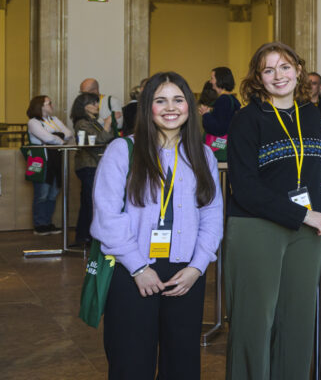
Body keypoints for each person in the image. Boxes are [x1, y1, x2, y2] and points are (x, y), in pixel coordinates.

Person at [91, 71, 223, 378]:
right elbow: (107, 216)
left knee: (182, 365)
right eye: (160, 100)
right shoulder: (123, 151)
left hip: (186, 274)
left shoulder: (203, 155)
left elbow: (212, 213)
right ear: (147, 107)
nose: (170, 107)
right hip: (131, 272)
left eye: (178, 100)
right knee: (131, 363)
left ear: (189, 106)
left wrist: (198, 266)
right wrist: (138, 267)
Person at [225, 42, 321, 380]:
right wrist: (303, 215)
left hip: (308, 232)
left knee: (297, 322)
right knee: (254, 322)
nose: (279, 75)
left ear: (298, 70)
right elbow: (244, 188)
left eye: (285, 67)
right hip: (257, 228)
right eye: (269, 69)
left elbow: (317, 173)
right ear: (258, 78)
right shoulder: (246, 120)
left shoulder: (310, 115)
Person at [71, 92, 114, 248]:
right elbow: (100, 139)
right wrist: (108, 125)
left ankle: (84, 236)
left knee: (88, 202)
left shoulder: (93, 121)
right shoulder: (82, 123)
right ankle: (86, 237)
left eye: (97, 102)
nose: (97, 106)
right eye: (93, 103)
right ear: (84, 107)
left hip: (95, 164)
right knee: (90, 202)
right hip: (88, 165)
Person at [26, 95, 70, 235]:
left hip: (56, 160)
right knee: (42, 194)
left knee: (53, 193)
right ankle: (40, 225)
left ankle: (47, 222)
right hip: (41, 161)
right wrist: (59, 139)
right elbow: (47, 138)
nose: (52, 105)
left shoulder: (55, 120)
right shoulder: (33, 122)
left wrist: (57, 138)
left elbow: (68, 133)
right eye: (49, 103)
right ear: (41, 106)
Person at [203, 66, 242, 161]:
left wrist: (206, 114)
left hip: (220, 150)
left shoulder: (223, 100)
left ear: (219, 80)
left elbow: (219, 128)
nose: (210, 81)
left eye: (212, 78)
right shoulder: (233, 99)